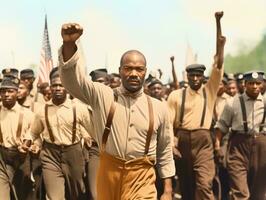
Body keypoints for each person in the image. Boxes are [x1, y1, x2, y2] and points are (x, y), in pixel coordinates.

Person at [58, 23, 175, 200]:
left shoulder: (159, 108)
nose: (134, 73)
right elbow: (74, 83)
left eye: (139, 69)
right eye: (128, 68)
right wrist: (68, 45)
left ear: (145, 72)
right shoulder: (103, 95)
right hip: (108, 172)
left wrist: (167, 190)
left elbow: (165, 151)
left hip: (141, 177)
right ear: (120, 71)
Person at [167, 12, 226, 200]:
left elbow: (219, 61)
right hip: (182, 140)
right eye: (191, 76)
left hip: (203, 142)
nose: (194, 79)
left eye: (198, 75)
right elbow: (169, 124)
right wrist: (172, 145)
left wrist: (218, 23)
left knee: (204, 183)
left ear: (202, 77)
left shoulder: (209, 91)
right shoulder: (176, 95)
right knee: (186, 186)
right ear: (187, 77)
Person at [30, 67, 92, 200]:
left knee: (77, 193)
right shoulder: (42, 110)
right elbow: (33, 133)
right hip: (50, 155)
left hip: (73, 153)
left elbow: (92, 130)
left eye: (61, 85)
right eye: (54, 86)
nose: (57, 88)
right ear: (50, 88)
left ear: (67, 88)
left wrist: (88, 137)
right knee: (54, 196)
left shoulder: (78, 109)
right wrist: (34, 144)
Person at [215, 71, 266, 200]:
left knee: (258, 194)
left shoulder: (265, 102)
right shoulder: (233, 103)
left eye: (257, 83)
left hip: (261, 148)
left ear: (262, 85)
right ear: (244, 84)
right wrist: (217, 146)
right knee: (241, 192)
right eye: (251, 83)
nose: (254, 86)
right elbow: (222, 126)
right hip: (238, 148)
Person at [0, 74, 34, 199]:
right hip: (2, 158)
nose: (6, 94)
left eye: (10, 91)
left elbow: (33, 134)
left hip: (21, 158)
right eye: (3, 91)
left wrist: (26, 145)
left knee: (22, 194)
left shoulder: (28, 114)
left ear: (16, 92)